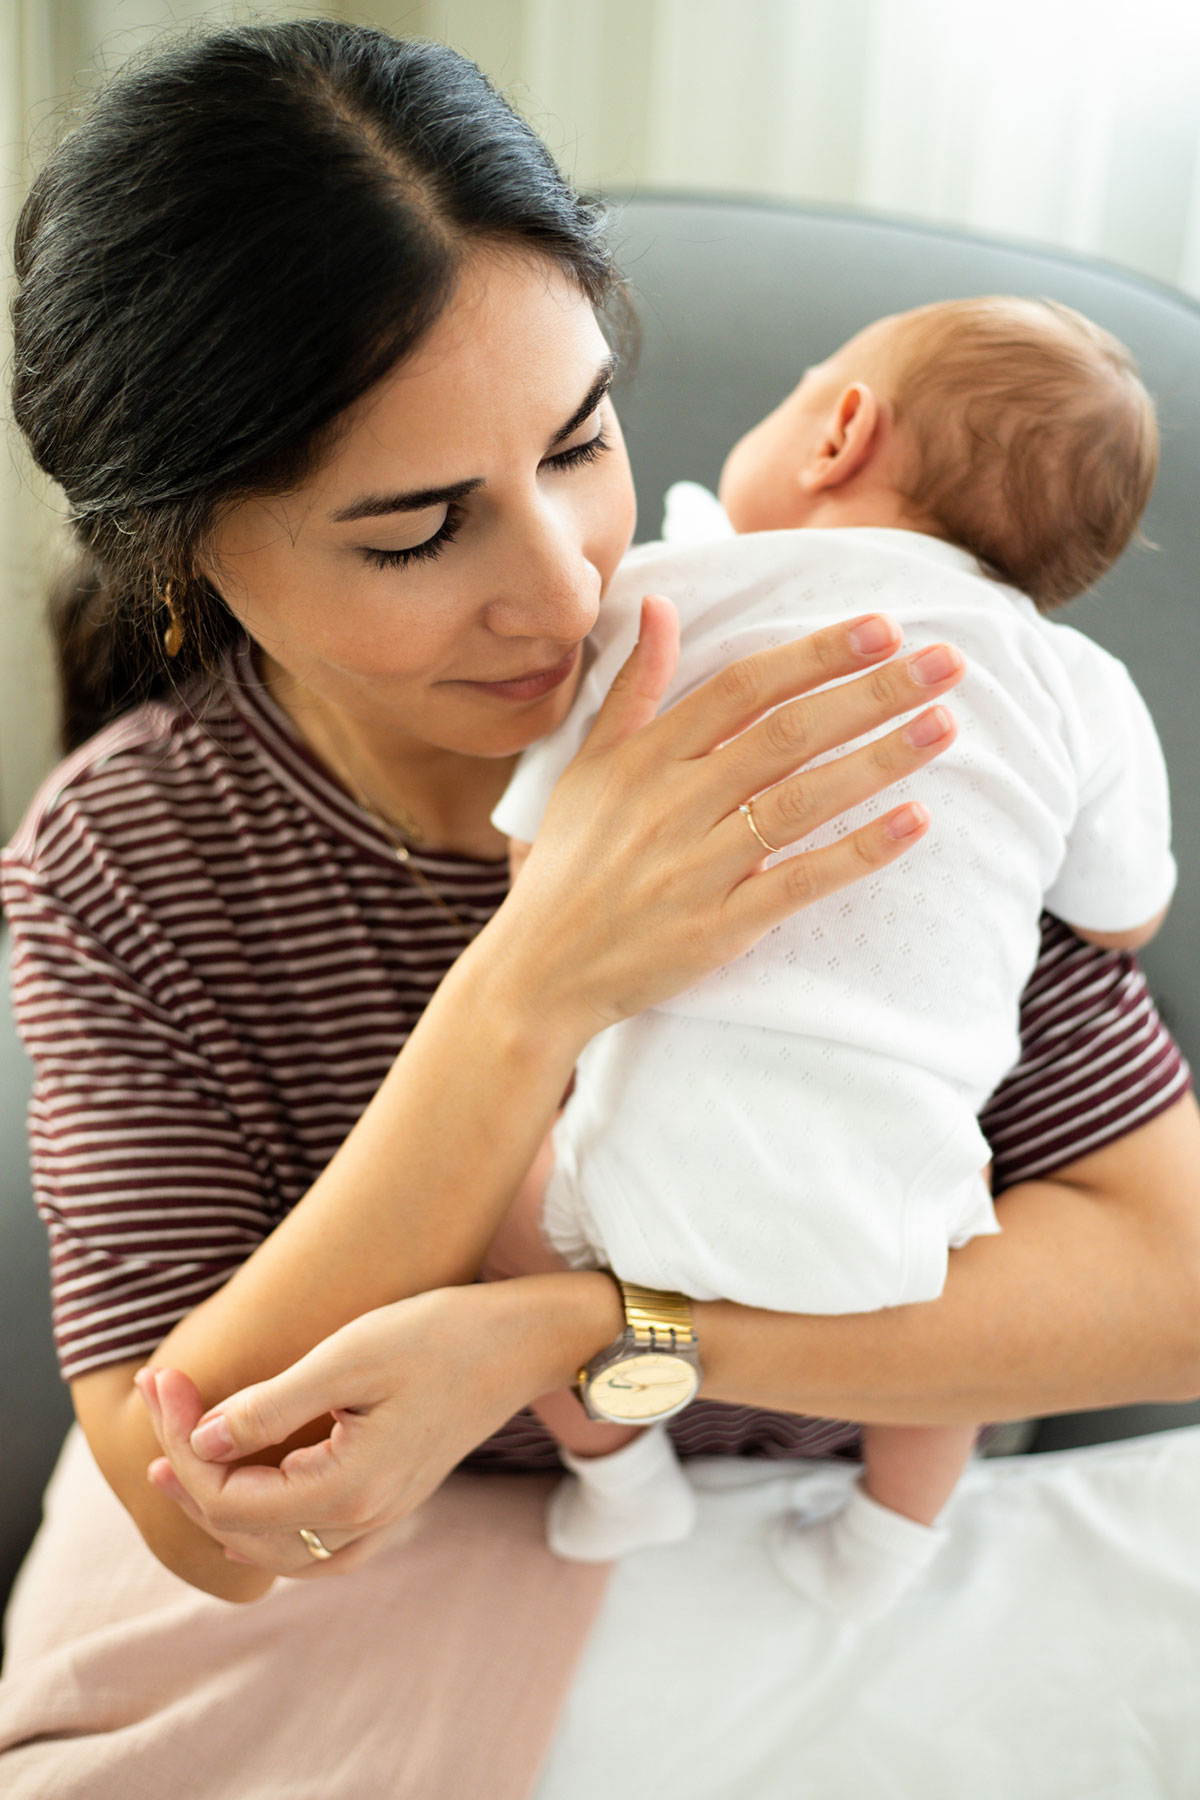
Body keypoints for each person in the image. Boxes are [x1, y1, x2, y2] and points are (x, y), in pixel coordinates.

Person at [0, 20, 1195, 1796]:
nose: (562, 591)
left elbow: (1170, 1286)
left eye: (580, 443)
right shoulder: (133, 858)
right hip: (395, 1602)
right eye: (417, 534)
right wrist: (529, 988)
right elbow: (202, 1513)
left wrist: (574, 1334)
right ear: (187, 554)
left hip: (835, 1535)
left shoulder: (800, 684)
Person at [487, 296, 1175, 1619]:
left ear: (842, 428)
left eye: (805, 388)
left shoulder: (659, 599)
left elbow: (542, 869)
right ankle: (889, 1546)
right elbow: (1122, 915)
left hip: (636, 1170)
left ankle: (620, 1483)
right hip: (899, 1199)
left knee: (506, 1228)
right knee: (968, 1339)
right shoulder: (1074, 684)